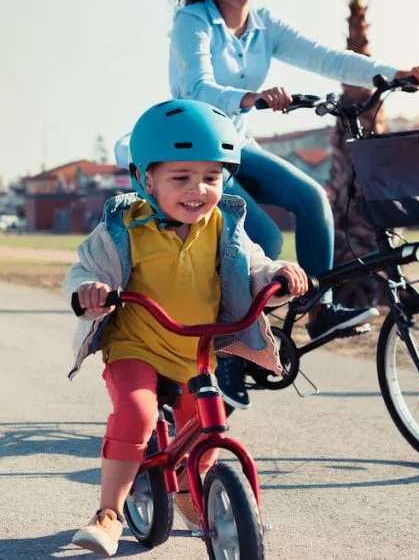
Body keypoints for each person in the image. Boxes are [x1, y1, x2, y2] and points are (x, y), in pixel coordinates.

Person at [168, 0, 419, 408]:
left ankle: (321, 309)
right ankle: (233, 349)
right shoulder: (193, 21)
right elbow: (198, 86)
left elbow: (327, 58)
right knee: (265, 236)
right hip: (198, 150)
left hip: (238, 142)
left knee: (313, 198)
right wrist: (251, 98)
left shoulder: (265, 26)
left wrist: (397, 73)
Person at [65, 99, 309, 557]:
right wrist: (89, 291)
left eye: (212, 178)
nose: (198, 189)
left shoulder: (222, 225)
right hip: (134, 345)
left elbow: (252, 266)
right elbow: (83, 271)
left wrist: (278, 277)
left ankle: (191, 491)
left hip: (194, 352)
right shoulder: (125, 227)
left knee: (202, 424)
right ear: (145, 179)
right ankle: (110, 514)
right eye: (181, 177)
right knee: (136, 415)